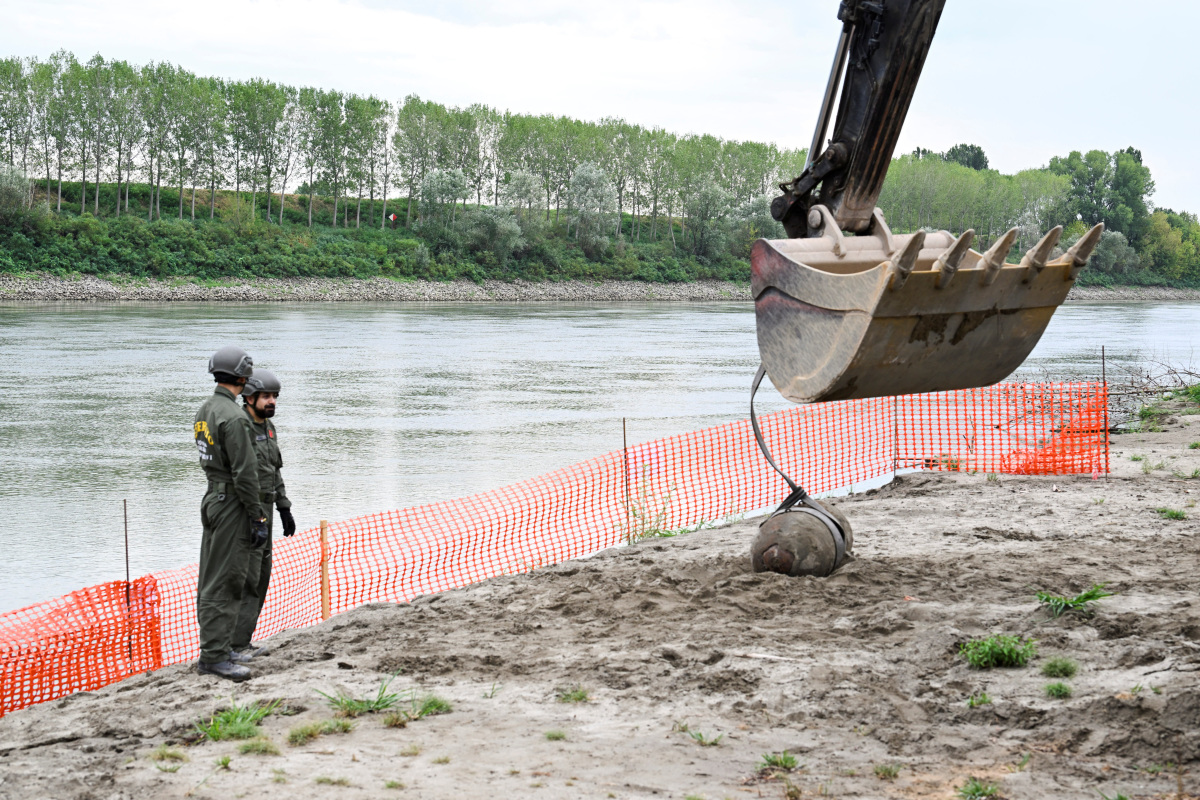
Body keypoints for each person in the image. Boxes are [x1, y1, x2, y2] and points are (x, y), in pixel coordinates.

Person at [193, 346, 267, 682]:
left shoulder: (206, 409)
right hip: (233, 503)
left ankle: (222, 648)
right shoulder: (235, 417)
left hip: (213, 497)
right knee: (226, 580)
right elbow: (245, 473)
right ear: (243, 377)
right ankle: (214, 656)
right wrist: (258, 516)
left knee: (213, 576)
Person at [230, 368, 295, 660]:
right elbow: (240, 475)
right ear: (249, 397)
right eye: (266, 397)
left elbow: (274, 471)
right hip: (247, 511)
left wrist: (284, 507)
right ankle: (234, 646)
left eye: (275, 397)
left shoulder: (268, 428)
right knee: (247, 579)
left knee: (261, 578)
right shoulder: (240, 426)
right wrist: (255, 517)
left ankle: (243, 641)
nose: (272, 402)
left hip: (267, 509)